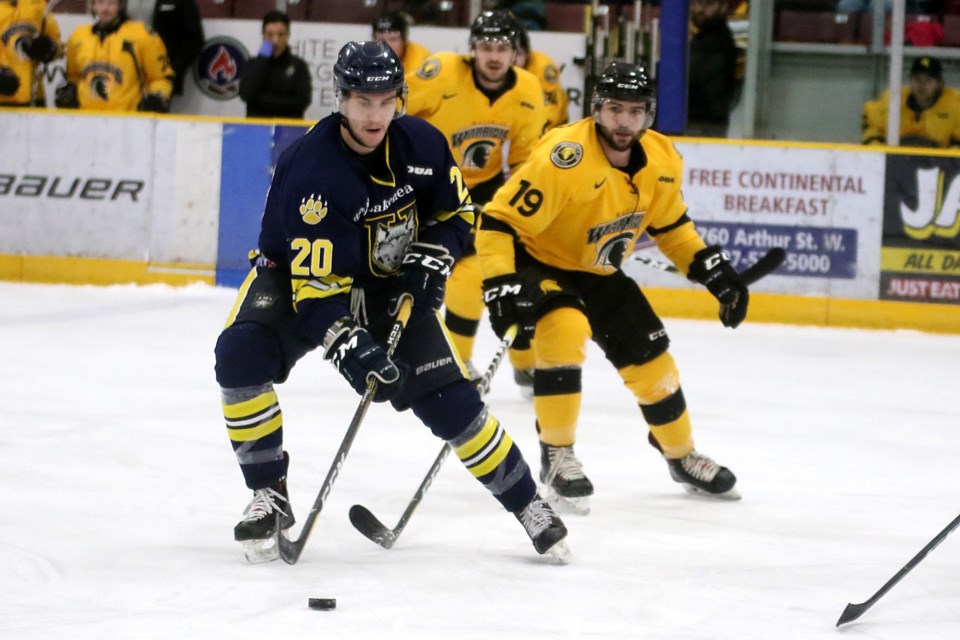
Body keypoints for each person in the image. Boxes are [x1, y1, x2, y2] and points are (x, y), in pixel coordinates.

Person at [213, 40, 569, 564]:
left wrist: (436, 254)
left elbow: (456, 215)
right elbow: (316, 297)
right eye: (362, 101)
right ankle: (268, 492)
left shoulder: (422, 144)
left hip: (388, 287)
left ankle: (528, 504)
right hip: (296, 281)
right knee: (240, 355)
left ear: (400, 98)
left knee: (454, 406)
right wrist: (346, 344)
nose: (375, 114)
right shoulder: (313, 173)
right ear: (340, 99)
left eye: (386, 100)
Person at [476, 60, 743, 514]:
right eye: (615, 109)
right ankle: (557, 454)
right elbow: (498, 220)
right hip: (539, 260)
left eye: (636, 111)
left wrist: (711, 270)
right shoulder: (564, 157)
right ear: (597, 109)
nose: (624, 120)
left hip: (599, 271)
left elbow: (672, 226)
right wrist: (501, 284)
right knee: (564, 328)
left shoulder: (662, 159)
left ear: (649, 114)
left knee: (654, 365)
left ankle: (680, 455)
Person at [405, 9, 546, 393]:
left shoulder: (529, 90)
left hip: (483, 190)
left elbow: (523, 158)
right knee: (448, 272)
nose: (494, 56)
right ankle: (450, 357)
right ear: (472, 51)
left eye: (502, 47)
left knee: (501, 271)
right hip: (429, 185)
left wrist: (518, 210)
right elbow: (393, 111)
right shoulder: (444, 72)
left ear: (516, 52)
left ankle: (521, 363)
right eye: (486, 47)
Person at [54, 0, 172, 112]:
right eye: (100, 2)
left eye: (111, 3)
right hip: (87, 118)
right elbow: (74, 76)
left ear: (120, 5)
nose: (105, 8)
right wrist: (69, 91)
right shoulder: (78, 36)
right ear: (93, 5)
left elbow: (161, 77)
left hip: (128, 119)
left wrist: (158, 96)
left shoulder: (142, 35)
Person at [862, 56, 960, 148]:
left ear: (940, 83)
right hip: (896, 161)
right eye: (917, 80)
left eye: (928, 81)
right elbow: (872, 137)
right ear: (910, 80)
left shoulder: (956, 105)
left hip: (941, 164)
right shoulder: (890, 101)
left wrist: (944, 160)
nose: (922, 85)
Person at [238, 10, 311, 119]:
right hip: (257, 129)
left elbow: (302, 102)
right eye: (270, 35)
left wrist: (261, 101)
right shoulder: (253, 64)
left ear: (287, 36)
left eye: (280, 34)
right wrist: (262, 60)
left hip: (289, 129)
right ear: (263, 36)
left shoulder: (298, 66)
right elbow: (246, 95)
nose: (275, 40)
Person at [687, 0, 739, 137]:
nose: (698, 9)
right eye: (695, 3)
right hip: (699, 123)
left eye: (707, 4)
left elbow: (692, 76)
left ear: (723, 7)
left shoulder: (718, 42)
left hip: (705, 125)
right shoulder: (703, 38)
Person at [0, 0, 61, 108]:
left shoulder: (36, 4)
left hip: (35, 97)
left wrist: (48, 48)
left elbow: (56, 41)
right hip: (3, 96)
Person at [515, 22, 569, 131]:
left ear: (527, 53)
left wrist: (541, 140)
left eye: (518, 54)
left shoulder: (544, 67)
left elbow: (551, 109)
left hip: (554, 126)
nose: (513, 60)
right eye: (509, 53)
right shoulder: (499, 67)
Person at [372, 10, 430, 74]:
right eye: (381, 40)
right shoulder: (366, 61)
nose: (387, 46)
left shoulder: (422, 61)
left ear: (404, 40)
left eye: (393, 39)